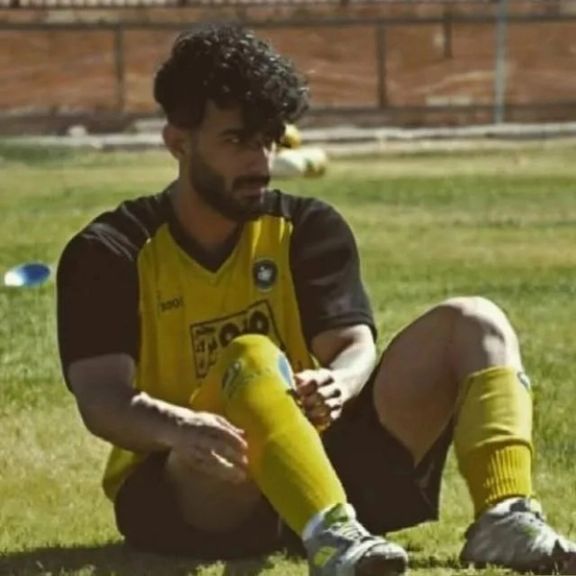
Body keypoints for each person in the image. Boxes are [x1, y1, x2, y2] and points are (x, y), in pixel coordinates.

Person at [57, 23, 576, 576]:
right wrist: (181, 427)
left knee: (476, 321)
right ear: (178, 142)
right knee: (251, 354)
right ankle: (332, 537)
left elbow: (353, 344)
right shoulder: (109, 252)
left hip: (325, 462)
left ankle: (504, 517)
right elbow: (102, 398)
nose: (260, 161)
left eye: (269, 139)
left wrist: (340, 382)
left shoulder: (308, 228)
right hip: (197, 484)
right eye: (237, 140)